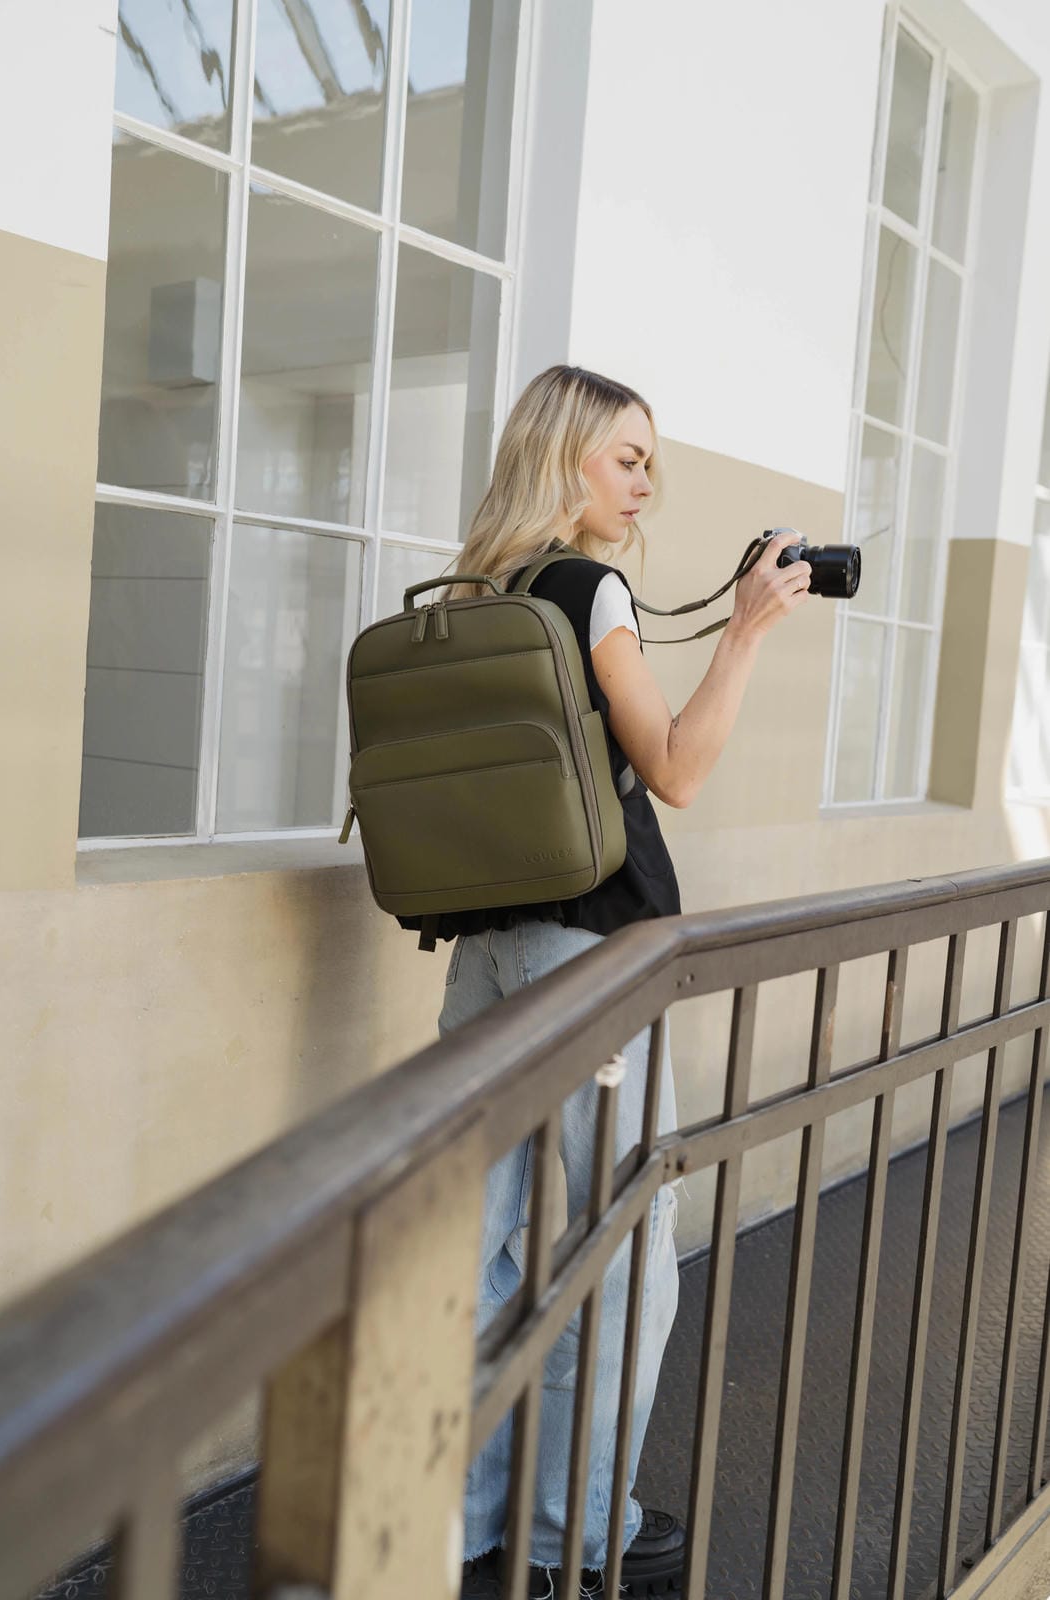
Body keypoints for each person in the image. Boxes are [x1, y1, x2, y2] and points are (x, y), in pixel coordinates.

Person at [428, 365, 811, 1599]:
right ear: (564, 461)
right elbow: (678, 768)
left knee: (485, 1246)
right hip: (586, 953)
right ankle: (568, 1538)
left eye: (652, 459)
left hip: (485, 951)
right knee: (622, 1240)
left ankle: (454, 1527)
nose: (647, 480)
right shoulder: (588, 588)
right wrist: (747, 628)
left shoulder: (474, 588)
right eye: (626, 456)